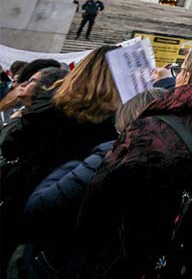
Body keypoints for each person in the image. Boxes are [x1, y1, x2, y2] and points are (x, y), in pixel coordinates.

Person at [76, 42, 192, 277]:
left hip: (140, 254)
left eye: (180, 70)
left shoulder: (149, 126)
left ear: (188, 76)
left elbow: (100, 196)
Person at [13, 88, 167, 277]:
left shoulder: (109, 159)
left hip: (69, 266)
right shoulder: (176, 162)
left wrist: (70, 166)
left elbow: (38, 206)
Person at [0, 47, 120, 272]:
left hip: (24, 192)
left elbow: (11, 146)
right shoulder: (116, 121)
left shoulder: (52, 103)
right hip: (64, 203)